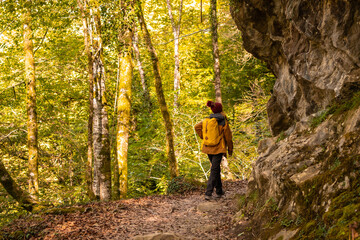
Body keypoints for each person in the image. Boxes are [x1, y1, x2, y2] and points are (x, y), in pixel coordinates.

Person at [194, 101, 233, 200]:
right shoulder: (222, 121)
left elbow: (196, 127)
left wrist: (205, 137)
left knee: (215, 169)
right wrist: (230, 148)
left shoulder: (208, 120)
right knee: (214, 170)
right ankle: (208, 193)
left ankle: (219, 191)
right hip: (218, 148)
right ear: (220, 110)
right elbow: (228, 136)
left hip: (208, 147)